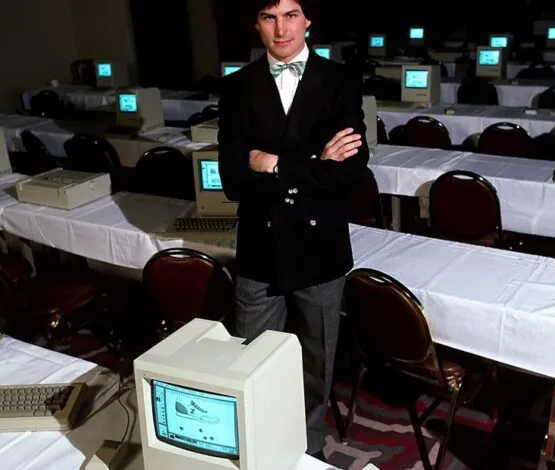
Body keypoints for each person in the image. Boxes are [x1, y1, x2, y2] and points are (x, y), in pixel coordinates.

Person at [217, 0, 369, 457]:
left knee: (316, 361)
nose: (281, 28)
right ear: (256, 24)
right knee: (250, 354)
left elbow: (349, 174)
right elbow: (232, 180)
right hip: (260, 245)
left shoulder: (340, 80)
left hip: (320, 246)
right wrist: (314, 165)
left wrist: (275, 162)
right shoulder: (236, 87)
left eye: (290, 15)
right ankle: (256, 443)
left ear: (307, 20)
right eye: (269, 17)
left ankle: (306, 445)